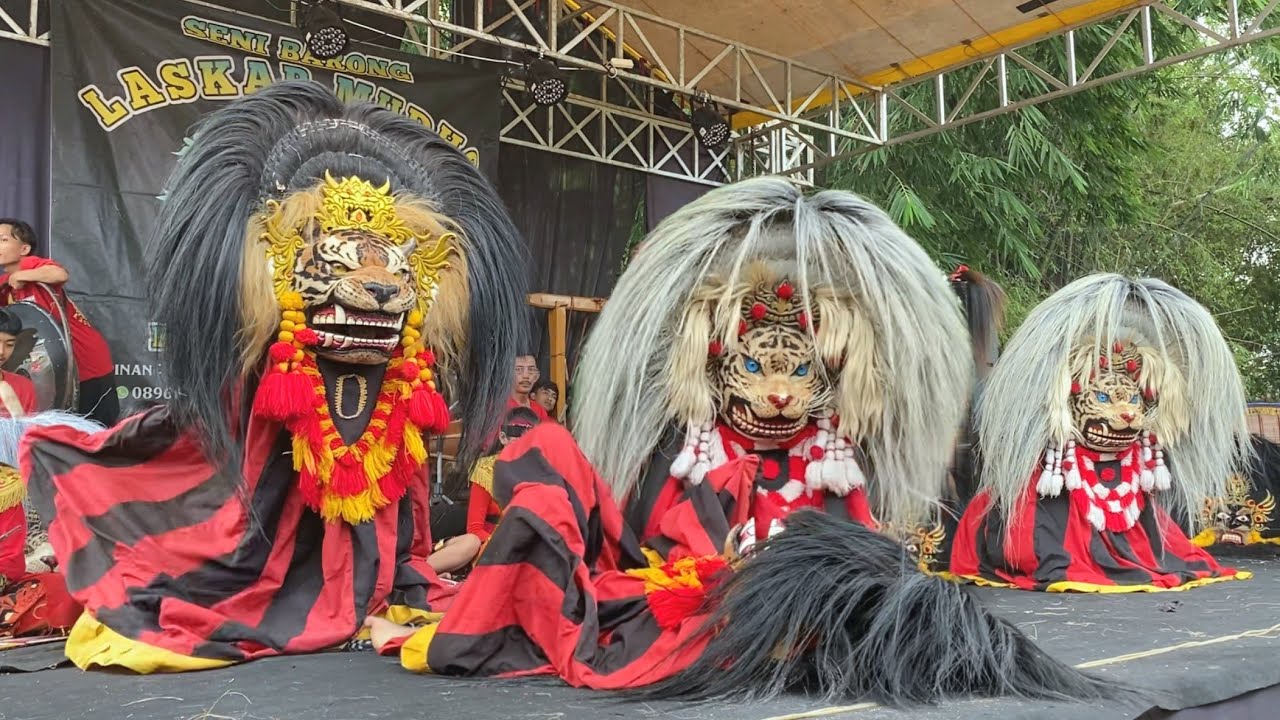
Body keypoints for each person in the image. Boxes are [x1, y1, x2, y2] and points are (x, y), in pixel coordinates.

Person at [365, 178, 1115, 706]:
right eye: (757, 366)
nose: (779, 392)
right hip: (688, 587)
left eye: (801, 369)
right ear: (717, 364)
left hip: (777, 605)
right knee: (549, 461)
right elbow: (669, 550)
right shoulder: (689, 447)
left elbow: (853, 549)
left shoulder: (833, 450)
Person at [19, 81, 527, 672]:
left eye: (393, 268)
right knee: (242, 508)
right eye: (340, 259)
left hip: (380, 408)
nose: (382, 285)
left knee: (388, 495)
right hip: (280, 410)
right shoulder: (264, 336)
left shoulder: (407, 343)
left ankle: (364, 587)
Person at [950, 274, 1252, 591]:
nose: (1127, 413)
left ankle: (1126, 555)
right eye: (1106, 397)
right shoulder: (1055, 446)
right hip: (1068, 465)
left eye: (1134, 399)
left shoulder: (1140, 436)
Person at [0, 219, 119, 426]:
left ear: (24, 249)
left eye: (2, 239)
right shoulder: (4, 285)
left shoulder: (31, 264)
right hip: (55, 368)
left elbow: (59, 273)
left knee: (96, 427)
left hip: (86, 360)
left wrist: (24, 275)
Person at [427, 406, 540, 576]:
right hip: (490, 544)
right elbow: (475, 529)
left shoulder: (540, 476)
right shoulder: (485, 469)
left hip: (524, 546)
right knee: (471, 542)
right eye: (518, 440)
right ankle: (421, 573)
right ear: (503, 437)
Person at [0, 310, 37, 417]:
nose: (2, 351)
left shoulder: (24, 387)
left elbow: (27, 432)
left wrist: (17, 415)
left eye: (9, 344)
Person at [508, 353, 550, 421]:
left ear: (536, 376)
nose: (526, 376)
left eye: (531, 370)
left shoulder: (540, 411)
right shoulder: (496, 408)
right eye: (519, 370)